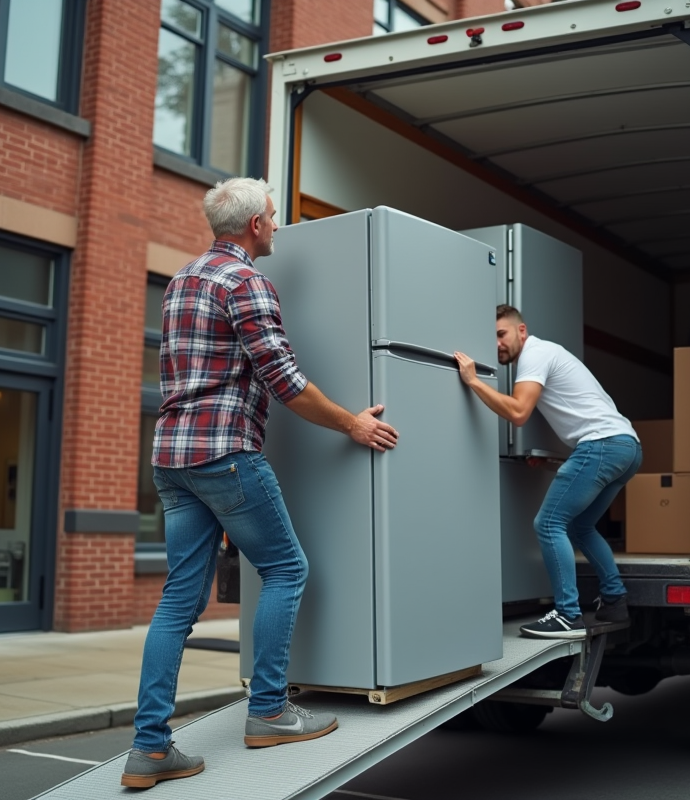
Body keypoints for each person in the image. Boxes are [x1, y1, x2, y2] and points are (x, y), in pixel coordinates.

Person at [121, 178, 399, 789]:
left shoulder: (181, 281)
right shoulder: (247, 283)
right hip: (225, 455)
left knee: (177, 602)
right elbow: (284, 378)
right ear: (254, 227)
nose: (276, 225)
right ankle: (270, 711)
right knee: (287, 569)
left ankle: (149, 749)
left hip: (172, 458)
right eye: (273, 217)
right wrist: (353, 423)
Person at [453, 305, 641, 640]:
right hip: (626, 447)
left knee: (549, 522)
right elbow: (573, 412)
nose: (497, 344)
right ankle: (614, 601)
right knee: (582, 526)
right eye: (491, 338)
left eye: (501, 334)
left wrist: (472, 381)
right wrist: (552, 458)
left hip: (601, 445)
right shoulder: (549, 353)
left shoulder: (534, 355)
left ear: (521, 331)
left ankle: (568, 614)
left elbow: (519, 411)